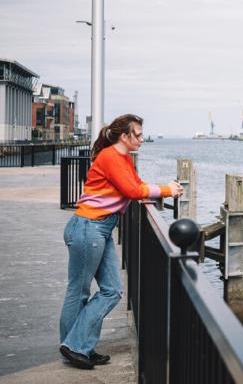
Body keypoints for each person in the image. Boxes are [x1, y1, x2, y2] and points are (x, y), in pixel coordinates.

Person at [59, 114, 183, 369]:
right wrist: (168, 189)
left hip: (99, 227)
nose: (141, 138)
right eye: (137, 134)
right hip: (88, 227)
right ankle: (75, 347)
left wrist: (160, 187)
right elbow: (133, 191)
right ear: (124, 136)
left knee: (112, 290)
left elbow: (136, 184)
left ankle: (78, 344)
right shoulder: (110, 157)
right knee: (79, 292)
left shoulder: (123, 158)